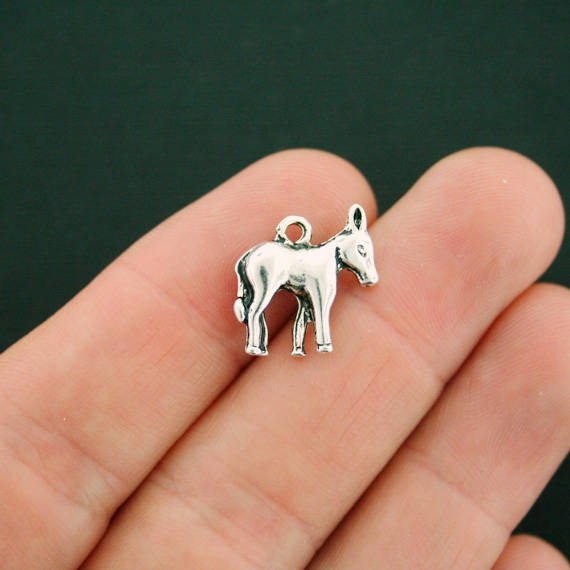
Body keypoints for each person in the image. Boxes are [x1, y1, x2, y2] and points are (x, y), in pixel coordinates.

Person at [1, 148, 568, 569]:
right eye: (358, 251)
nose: (361, 261)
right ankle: (272, 334)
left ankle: (288, 339)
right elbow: (317, 302)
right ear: (347, 242)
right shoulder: (313, 263)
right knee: (276, 303)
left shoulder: (327, 259)